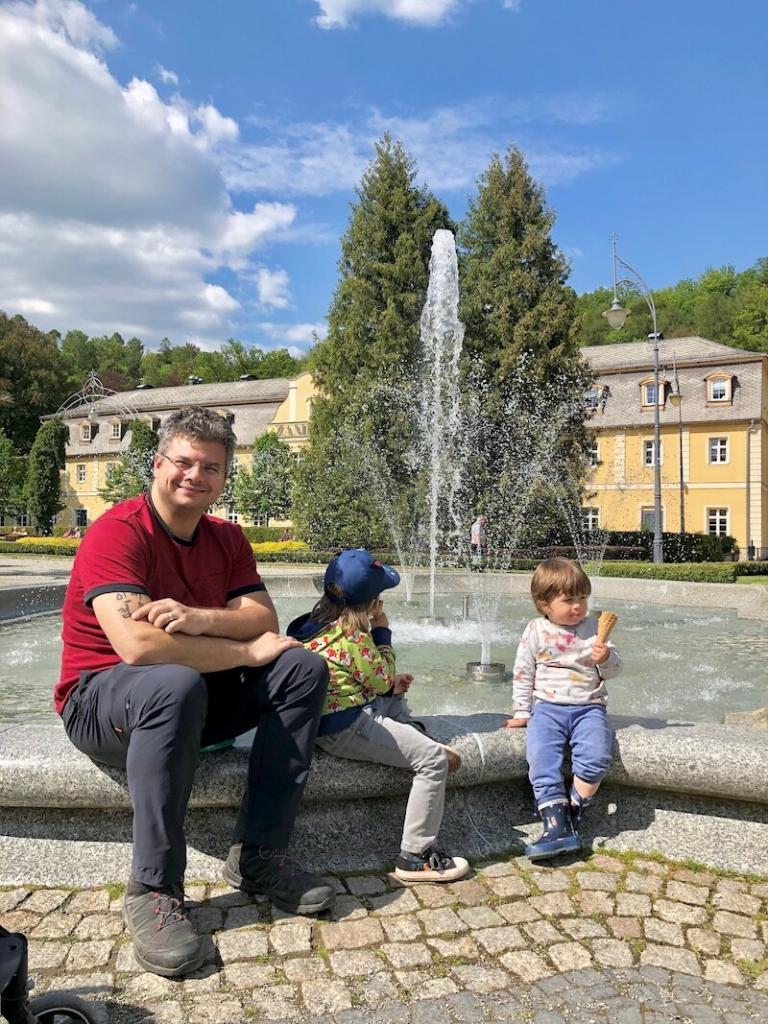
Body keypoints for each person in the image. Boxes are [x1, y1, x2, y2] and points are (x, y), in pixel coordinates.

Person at [56, 407, 334, 979]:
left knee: (301, 667)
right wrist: (242, 651)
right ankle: (152, 888)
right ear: (157, 464)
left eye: (210, 466)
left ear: (224, 477)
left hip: (190, 700)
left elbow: (263, 614)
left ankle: (259, 854)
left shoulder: (226, 538)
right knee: (172, 680)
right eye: (182, 461)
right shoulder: (117, 531)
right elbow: (136, 646)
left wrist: (200, 619)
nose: (194, 475)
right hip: (102, 703)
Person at [287, 548, 469, 883]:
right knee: (432, 761)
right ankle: (416, 856)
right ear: (372, 603)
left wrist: (389, 685)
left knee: (395, 692)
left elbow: (371, 682)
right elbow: (383, 676)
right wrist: (382, 632)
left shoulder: (310, 625)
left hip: (332, 714)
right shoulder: (354, 636)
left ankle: (412, 734)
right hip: (346, 727)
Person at [503, 557, 622, 861]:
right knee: (541, 759)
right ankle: (554, 824)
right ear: (544, 603)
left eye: (582, 598)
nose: (578, 606)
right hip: (547, 709)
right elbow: (523, 671)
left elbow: (615, 670)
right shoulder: (536, 630)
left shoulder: (595, 629)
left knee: (596, 758)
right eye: (568, 600)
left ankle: (570, 812)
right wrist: (522, 711)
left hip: (589, 708)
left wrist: (605, 657)